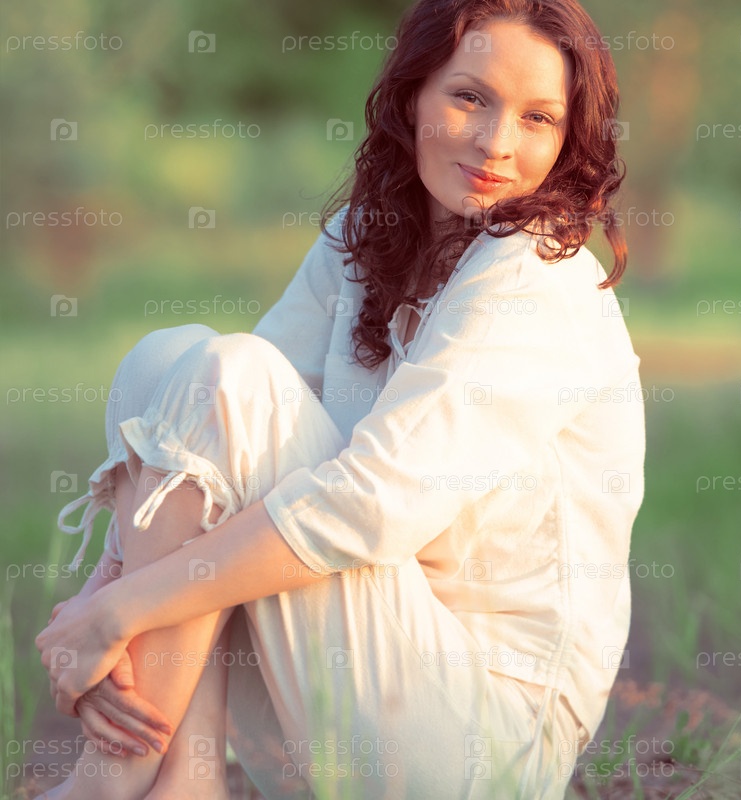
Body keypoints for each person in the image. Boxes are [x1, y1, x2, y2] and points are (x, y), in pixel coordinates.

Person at [34, 0, 645, 797]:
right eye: (470, 97)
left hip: (482, 744)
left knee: (227, 378)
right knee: (169, 362)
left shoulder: (537, 274)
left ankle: (108, 782)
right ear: (412, 95)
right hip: (345, 686)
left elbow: (372, 506)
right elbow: (211, 430)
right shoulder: (368, 235)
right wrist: (103, 591)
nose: (497, 143)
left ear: (568, 138)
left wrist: (120, 612)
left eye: (537, 118)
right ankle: (186, 778)